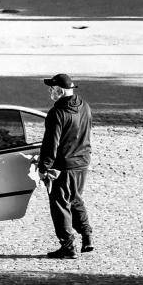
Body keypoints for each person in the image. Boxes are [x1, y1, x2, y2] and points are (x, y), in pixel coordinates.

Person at [34, 72, 93, 259]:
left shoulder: (57, 113)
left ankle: (68, 246)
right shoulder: (84, 106)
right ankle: (87, 236)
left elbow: (51, 143)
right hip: (82, 162)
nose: (50, 91)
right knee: (75, 198)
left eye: (51, 89)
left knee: (60, 204)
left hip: (63, 167)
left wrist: (44, 168)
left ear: (59, 91)